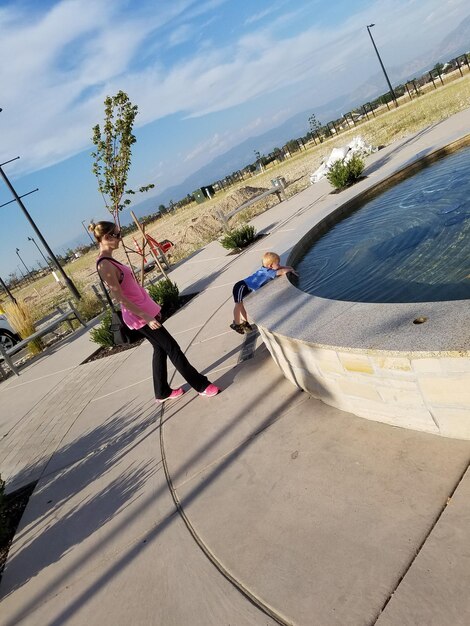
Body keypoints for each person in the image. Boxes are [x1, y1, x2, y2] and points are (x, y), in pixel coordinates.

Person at [90, 220, 220, 402]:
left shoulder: (109, 259)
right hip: (139, 317)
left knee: (160, 349)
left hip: (143, 312)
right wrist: (146, 316)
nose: (121, 238)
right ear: (106, 237)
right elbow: (119, 298)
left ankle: (162, 392)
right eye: (117, 234)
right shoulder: (105, 265)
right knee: (172, 347)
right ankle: (201, 385)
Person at [230, 251, 298, 334]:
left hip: (244, 287)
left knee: (241, 305)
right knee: (238, 304)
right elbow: (281, 272)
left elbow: (278, 268)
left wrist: (285, 266)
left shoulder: (266, 269)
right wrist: (290, 269)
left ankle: (244, 322)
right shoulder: (269, 272)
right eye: (278, 263)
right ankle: (237, 324)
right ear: (270, 266)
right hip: (242, 286)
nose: (280, 265)